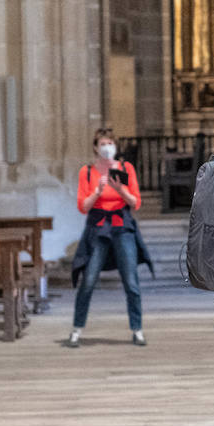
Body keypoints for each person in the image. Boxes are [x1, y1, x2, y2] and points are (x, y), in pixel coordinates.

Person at [69, 128, 153, 347]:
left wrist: (120, 189)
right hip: (98, 227)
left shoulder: (126, 168)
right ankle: (77, 329)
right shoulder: (87, 172)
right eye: (103, 143)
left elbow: (135, 203)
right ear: (96, 147)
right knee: (88, 281)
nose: (107, 147)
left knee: (131, 281)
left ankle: (137, 329)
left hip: (121, 225)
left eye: (110, 143)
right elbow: (82, 206)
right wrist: (97, 191)